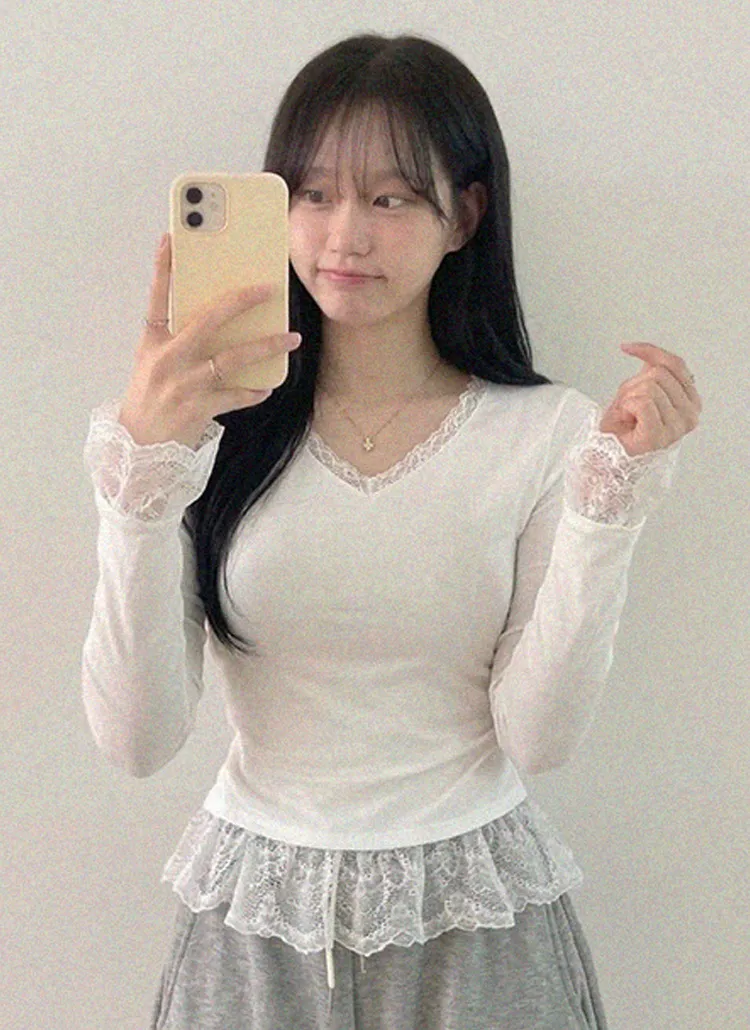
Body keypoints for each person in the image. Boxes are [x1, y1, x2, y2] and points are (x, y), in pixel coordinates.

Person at [81, 32, 701, 1030]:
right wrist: (141, 482)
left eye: (391, 198)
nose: (345, 236)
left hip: (479, 925)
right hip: (258, 926)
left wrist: (606, 513)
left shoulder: (549, 432)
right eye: (314, 193)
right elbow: (136, 738)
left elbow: (539, 738)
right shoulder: (206, 434)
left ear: (465, 215)